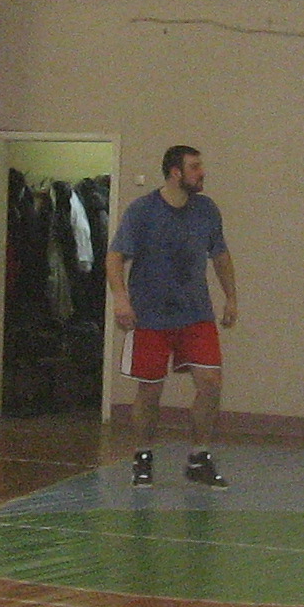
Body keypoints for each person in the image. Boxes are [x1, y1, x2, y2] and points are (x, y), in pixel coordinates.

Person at [108, 145, 238, 490]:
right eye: (195, 167)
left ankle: (199, 457)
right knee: (150, 390)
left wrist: (231, 298)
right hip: (150, 315)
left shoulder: (206, 210)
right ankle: (143, 456)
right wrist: (121, 298)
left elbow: (220, 255)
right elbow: (115, 256)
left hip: (195, 313)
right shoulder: (143, 211)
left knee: (211, 383)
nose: (202, 172)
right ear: (175, 173)